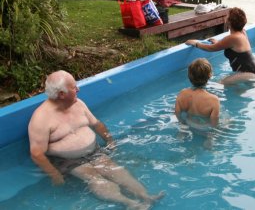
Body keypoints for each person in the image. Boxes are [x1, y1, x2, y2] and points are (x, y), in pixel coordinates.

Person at [28, 70, 163, 210]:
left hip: (94, 151)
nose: (78, 89)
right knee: (94, 178)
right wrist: (55, 175)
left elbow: (97, 124)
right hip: (68, 160)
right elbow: (37, 153)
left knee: (116, 170)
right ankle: (130, 203)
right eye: (74, 87)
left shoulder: (77, 103)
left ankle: (145, 196)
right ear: (61, 94)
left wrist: (110, 141)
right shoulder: (41, 118)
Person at [186, 7, 255, 83]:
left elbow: (211, 48)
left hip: (248, 73)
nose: (226, 17)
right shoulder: (242, 33)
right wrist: (218, 43)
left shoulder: (233, 37)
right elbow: (234, 48)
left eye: (227, 16)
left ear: (229, 21)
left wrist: (195, 43)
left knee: (220, 83)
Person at [175, 58, 220, 130]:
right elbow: (214, 124)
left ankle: (182, 131)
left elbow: (177, 113)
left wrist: (183, 124)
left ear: (189, 75)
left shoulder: (182, 93)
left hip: (188, 122)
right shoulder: (214, 100)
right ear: (210, 75)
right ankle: (209, 139)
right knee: (228, 121)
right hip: (204, 127)